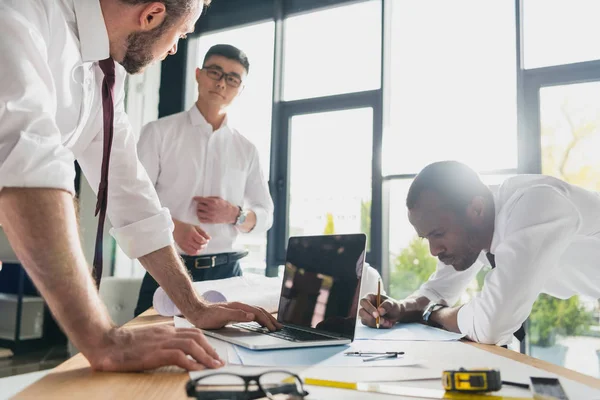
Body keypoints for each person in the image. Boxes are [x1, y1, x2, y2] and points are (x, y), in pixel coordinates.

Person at [0, 0, 280, 373]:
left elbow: (131, 194)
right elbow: (27, 163)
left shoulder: (106, 78)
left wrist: (194, 306)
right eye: (180, 35)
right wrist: (103, 339)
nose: (175, 49)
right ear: (151, 15)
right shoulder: (20, 14)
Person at [359, 161, 600, 346]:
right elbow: (437, 292)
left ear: (476, 209)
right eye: (427, 238)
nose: (434, 250)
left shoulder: (535, 205)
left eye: (438, 234)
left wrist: (434, 314)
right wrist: (399, 309)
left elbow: (493, 324)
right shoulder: (472, 232)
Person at [134, 44, 274, 315]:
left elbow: (266, 216)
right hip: (166, 266)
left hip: (228, 274)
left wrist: (235, 214)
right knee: (146, 353)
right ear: (198, 74)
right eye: (215, 72)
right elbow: (135, 200)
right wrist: (173, 227)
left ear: (240, 89)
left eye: (232, 79)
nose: (222, 83)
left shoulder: (247, 149)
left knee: (224, 355)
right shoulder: (158, 133)